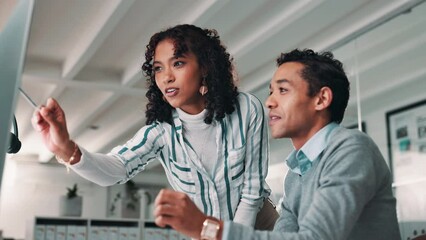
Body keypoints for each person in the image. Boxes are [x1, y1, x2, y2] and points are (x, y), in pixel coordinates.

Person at [32, 24, 278, 229]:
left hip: (261, 223)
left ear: (205, 66)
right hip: (208, 231)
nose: (166, 76)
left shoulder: (246, 108)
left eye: (178, 63)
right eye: (158, 68)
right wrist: (65, 148)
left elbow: (252, 190)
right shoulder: (160, 132)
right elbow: (116, 169)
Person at [153, 49, 401, 240]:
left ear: (321, 99)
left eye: (282, 90)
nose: (269, 102)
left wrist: (206, 227)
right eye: (271, 92)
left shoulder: (351, 149)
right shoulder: (296, 174)